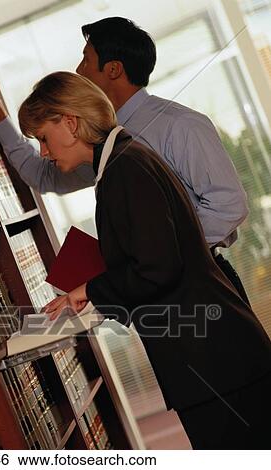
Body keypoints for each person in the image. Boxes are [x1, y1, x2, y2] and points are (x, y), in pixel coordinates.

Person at [17, 70, 271, 450]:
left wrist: (90, 288)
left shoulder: (124, 168)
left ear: (69, 123)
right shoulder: (125, 157)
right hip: (217, 360)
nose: (45, 153)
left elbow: (157, 269)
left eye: (43, 138)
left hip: (214, 363)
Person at [0, 16, 251, 306]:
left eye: (85, 61)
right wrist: (1, 121)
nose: (77, 71)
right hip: (155, 292)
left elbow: (229, 205)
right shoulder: (95, 145)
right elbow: (43, 176)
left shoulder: (180, 125)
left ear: (113, 70)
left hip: (204, 283)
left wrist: (157, 254)